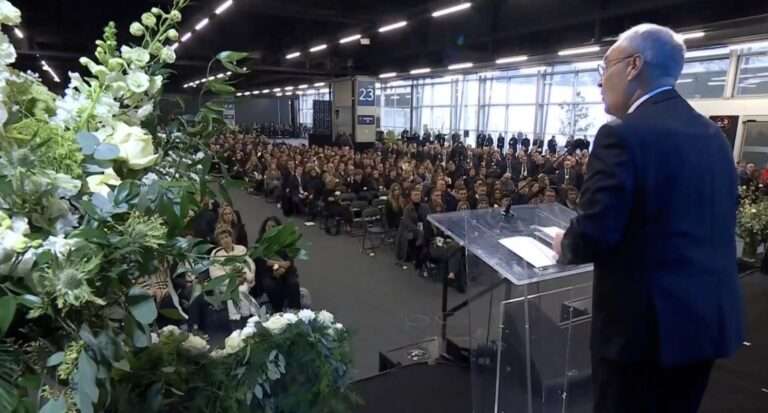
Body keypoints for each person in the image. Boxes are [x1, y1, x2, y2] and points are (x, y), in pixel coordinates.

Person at [553, 24, 743, 413]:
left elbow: (595, 232)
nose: (599, 82)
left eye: (605, 67)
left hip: (641, 335)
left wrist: (565, 243)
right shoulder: (713, 136)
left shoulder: (622, 135)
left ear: (634, 65)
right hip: (702, 326)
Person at [251, 217, 301, 313]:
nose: (270, 228)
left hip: (286, 270)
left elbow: (289, 260)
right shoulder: (260, 242)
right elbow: (263, 262)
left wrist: (280, 267)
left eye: (273, 226)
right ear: (264, 228)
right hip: (268, 271)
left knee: (293, 282)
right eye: (268, 226)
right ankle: (277, 310)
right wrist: (278, 266)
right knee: (270, 284)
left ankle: (295, 310)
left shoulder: (285, 241)